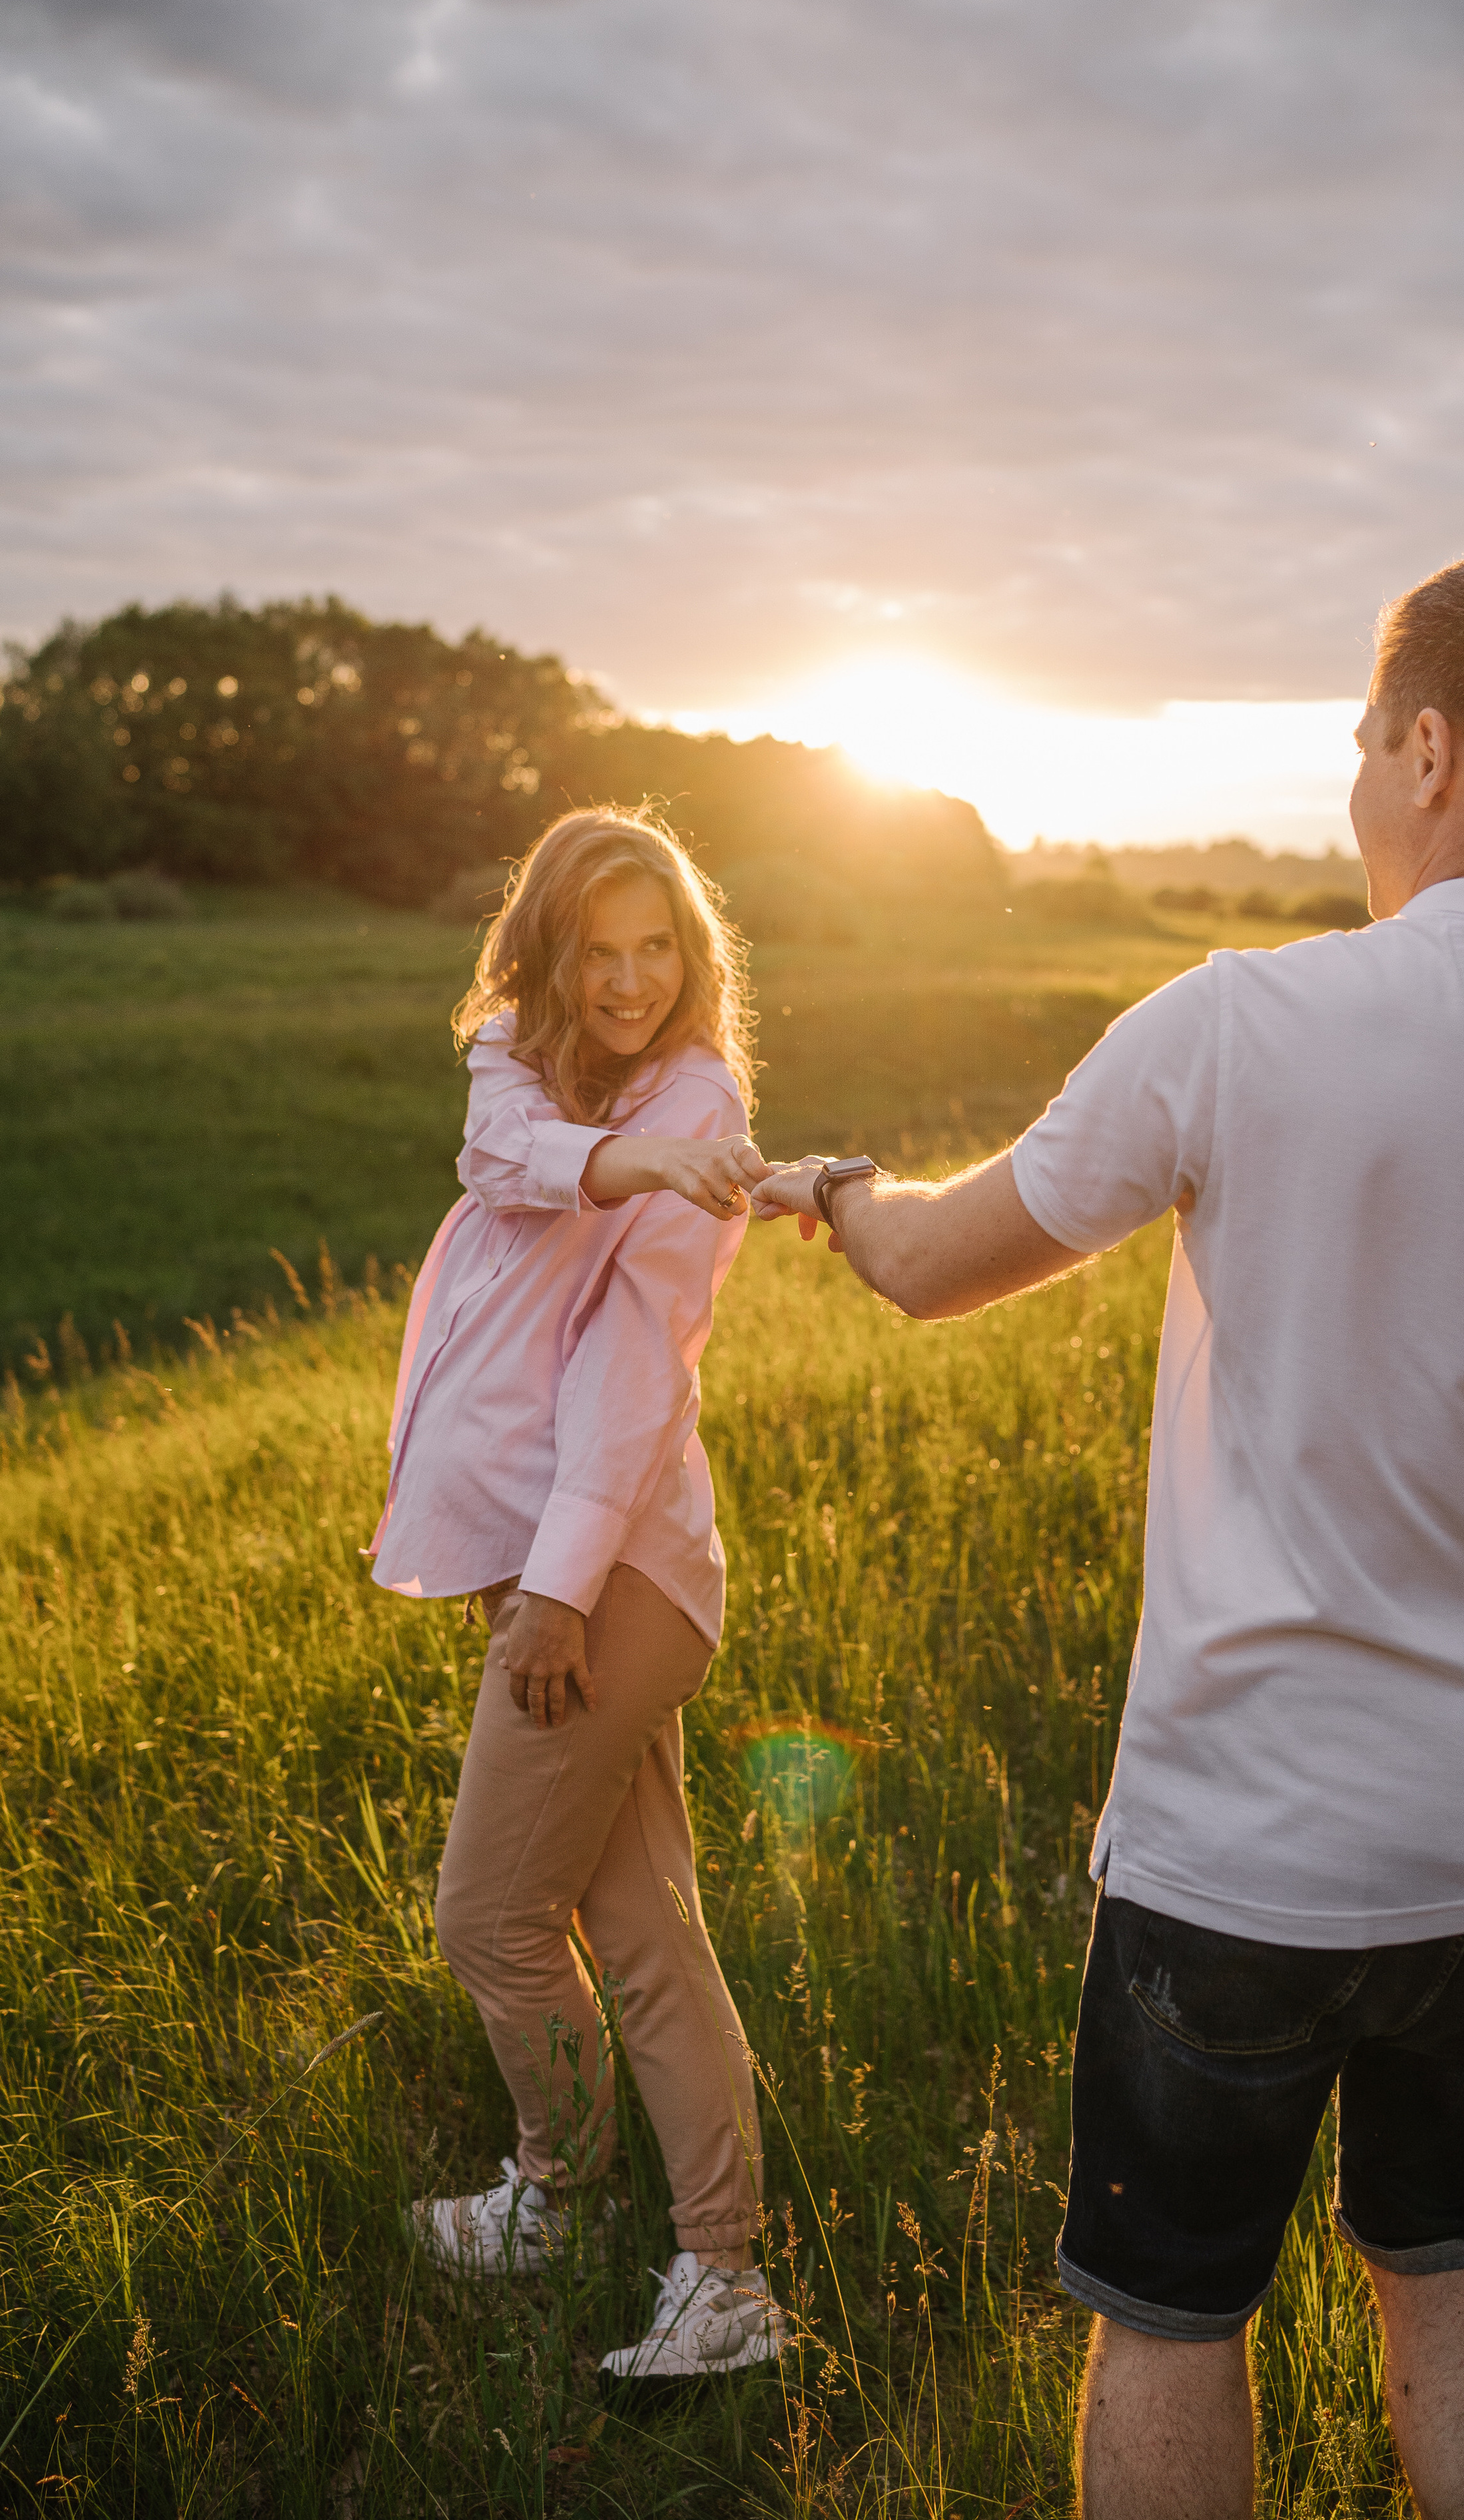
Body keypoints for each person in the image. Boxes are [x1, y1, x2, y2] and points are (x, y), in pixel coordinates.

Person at [743, 554, 1464, 2517]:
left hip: (1252, 1848)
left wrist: (835, 1184)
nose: (1360, 789)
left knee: (1176, 2314)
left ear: (1430, 751)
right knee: (1455, 2262)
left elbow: (932, 1266)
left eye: (1368, 745)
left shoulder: (1240, 1022)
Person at [368, 807, 785, 2384]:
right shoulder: (515, 1063)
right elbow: (501, 1161)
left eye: (657, 946)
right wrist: (626, 1159)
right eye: (597, 949)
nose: (628, 981)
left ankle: (561, 2196)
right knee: (641, 1926)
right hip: (556, 1567)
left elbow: (630, 1376)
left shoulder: (704, 1098)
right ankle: (716, 2269)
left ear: (693, 957)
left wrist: (552, 1596)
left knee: (487, 1916)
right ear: (544, 950)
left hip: (607, 1575)